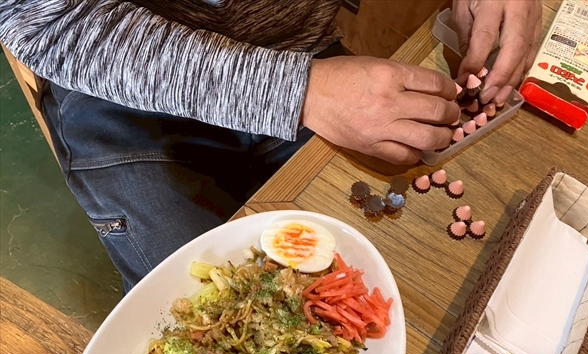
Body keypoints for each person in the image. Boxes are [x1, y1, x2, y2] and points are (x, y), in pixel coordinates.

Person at [0, 0, 541, 290]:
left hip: (303, 50)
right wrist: (297, 92)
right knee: (206, 321)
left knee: (394, 282)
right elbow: (43, 18)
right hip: (121, 93)